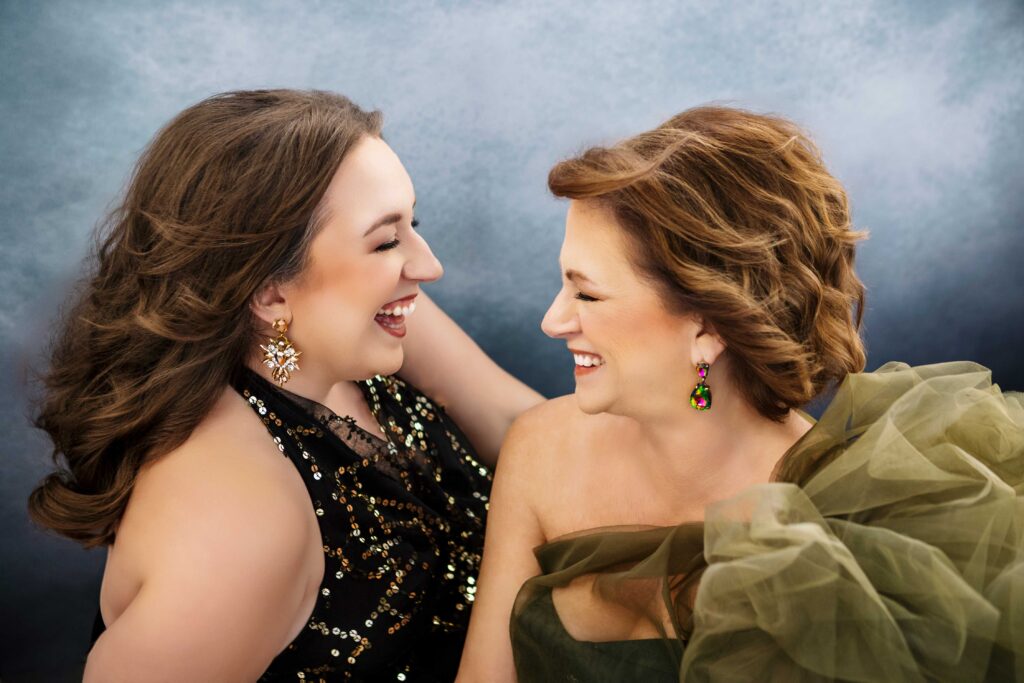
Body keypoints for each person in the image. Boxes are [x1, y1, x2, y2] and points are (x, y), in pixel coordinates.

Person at [457, 106, 1024, 681]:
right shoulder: (540, 449)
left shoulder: (835, 527)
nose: (553, 322)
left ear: (707, 327)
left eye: (588, 295)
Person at [27, 89, 543, 681]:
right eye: (385, 240)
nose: (428, 266)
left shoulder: (371, 324)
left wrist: (673, 407)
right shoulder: (242, 525)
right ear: (271, 291)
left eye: (412, 224)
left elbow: (522, 427)